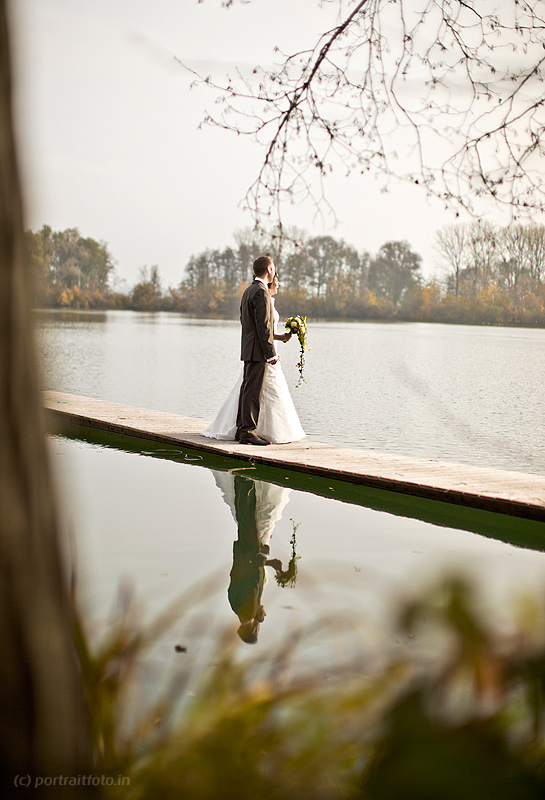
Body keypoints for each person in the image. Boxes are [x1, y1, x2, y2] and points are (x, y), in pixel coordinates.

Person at [202, 257, 305, 445]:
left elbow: (248, 324)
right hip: (258, 351)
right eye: (273, 268)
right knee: (252, 391)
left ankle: (243, 430)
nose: (274, 272)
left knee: (247, 389)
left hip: (250, 347)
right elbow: (263, 327)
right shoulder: (261, 292)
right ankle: (247, 431)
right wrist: (271, 354)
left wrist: (278, 339)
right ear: (268, 269)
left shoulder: (249, 290)